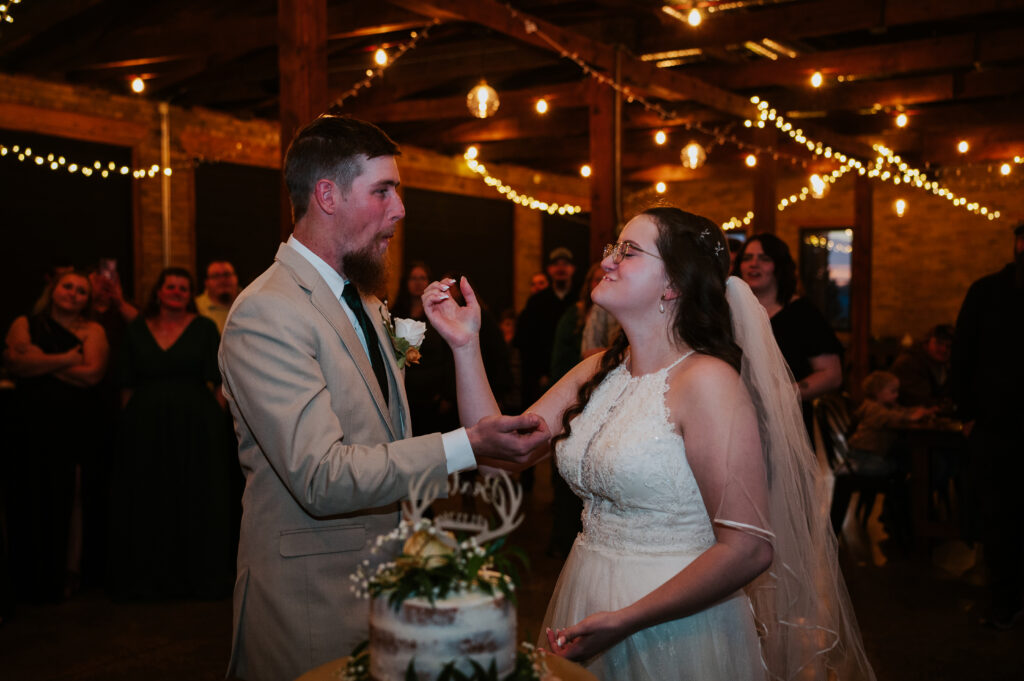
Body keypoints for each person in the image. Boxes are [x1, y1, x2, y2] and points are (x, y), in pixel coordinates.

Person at [424, 207, 875, 681]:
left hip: (675, 623)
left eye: (629, 251)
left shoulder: (707, 382)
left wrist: (625, 620)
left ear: (673, 285)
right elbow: (499, 455)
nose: (608, 261)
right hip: (585, 589)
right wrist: (464, 346)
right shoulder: (599, 370)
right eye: (611, 249)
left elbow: (748, 549)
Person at [217, 115, 548, 681]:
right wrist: (462, 445)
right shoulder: (267, 312)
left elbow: (384, 437)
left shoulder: (368, 303)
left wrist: (464, 345)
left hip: (386, 590)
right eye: (383, 191)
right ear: (327, 195)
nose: (400, 209)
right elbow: (321, 475)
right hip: (310, 601)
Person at [107, 267, 235, 601]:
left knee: (195, 497)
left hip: (197, 428)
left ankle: (196, 577)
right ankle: (147, 578)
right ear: (159, 292)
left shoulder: (205, 328)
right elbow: (125, 382)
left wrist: (213, 419)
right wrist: (132, 423)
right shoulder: (137, 328)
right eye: (170, 287)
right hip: (144, 428)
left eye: (183, 288)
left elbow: (221, 379)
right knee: (147, 497)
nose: (176, 292)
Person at [3, 270, 109, 602]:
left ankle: (66, 574)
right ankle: (28, 575)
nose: (73, 294)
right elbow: (15, 364)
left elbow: (92, 374)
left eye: (81, 291)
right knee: (27, 493)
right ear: (53, 289)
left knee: (68, 496)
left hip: (73, 428)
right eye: (68, 287)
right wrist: (66, 359)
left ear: (87, 300)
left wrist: (38, 360)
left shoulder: (93, 330)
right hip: (28, 427)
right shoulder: (24, 323)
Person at [951, 220, 1024, 630]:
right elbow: (962, 353)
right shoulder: (987, 292)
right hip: (997, 430)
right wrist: (967, 416)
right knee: (1000, 520)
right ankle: (1003, 601)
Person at [733, 233, 843, 433]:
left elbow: (832, 375)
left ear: (780, 266)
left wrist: (781, 396)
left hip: (788, 424)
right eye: (747, 258)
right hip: (736, 418)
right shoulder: (729, 311)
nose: (753, 264)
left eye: (764, 258)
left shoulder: (802, 313)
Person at [514, 248, 578, 406]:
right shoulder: (536, 302)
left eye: (565, 264)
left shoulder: (580, 300)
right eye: (556, 264)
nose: (561, 268)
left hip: (575, 375)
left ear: (573, 269)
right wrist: (539, 373)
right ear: (550, 270)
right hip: (542, 378)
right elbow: (526, 342)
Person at [889, 323, 954, 409]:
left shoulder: (944, 365)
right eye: (939, 343)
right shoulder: (909, 363)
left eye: (948, 346)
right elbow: (917, 400)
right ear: (927, 343)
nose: (943, 349)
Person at [195, 259, 239, 333]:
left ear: (236, 278)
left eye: (227, 274)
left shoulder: (249, 302)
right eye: (216, 276)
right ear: (206, 282)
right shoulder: (196, 307)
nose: (222, 280)